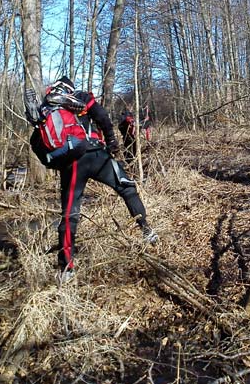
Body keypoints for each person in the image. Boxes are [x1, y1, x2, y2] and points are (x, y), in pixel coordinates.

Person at [29, 76, 158, 284]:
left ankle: (66, 268)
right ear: (70, 87)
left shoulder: (47, 108)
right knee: (127, 188)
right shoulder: (79, 97)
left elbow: (39, 141)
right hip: (96, 155)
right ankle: (147, 231)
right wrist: (112, 141)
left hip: (70, 165)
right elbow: (103, 117)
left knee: (70, 214)